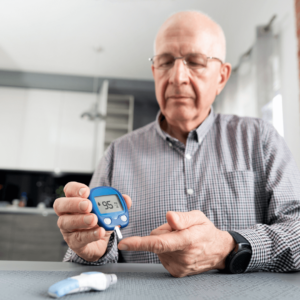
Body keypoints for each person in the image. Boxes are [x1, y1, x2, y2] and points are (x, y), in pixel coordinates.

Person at [54, 11, 300, 277]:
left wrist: (229, 247)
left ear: (221, 76)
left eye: (195, 61)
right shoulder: (118, 154)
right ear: (154, 71)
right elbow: (94, 250)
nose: (177, 77)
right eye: (166, 61)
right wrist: (93, 251)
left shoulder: (260, 139)